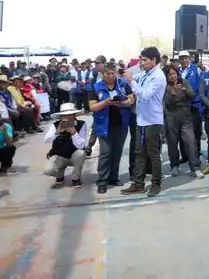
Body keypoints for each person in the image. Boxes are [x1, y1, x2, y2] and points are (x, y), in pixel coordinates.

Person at [121, 47, 166, 197]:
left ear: (154, 60)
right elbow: (133, 76)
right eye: (142, 59)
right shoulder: (147, 73)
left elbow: (145, 95)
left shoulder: (158, 76)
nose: (142, 62)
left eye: (145, 60)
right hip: (142, 119)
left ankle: (156, 183)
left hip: (153, 120)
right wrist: (123, 73)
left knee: (153, 154)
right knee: (139, 153)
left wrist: (132, 81)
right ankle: (138, 183)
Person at [90, 65, 134, 193]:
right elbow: (92, 107)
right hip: (104, 125)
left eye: (112, 73)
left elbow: (131, 99)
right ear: (103, 75)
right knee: (105, 153)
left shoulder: (123, 84)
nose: (110, 76)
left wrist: (124, 102)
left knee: (117, 151)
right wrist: (106, 102)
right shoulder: (96, 87)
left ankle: (114, 177)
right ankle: (102, 180)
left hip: (121, 124)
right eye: (107, 74)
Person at [162, 64, 204, 179]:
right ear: (165, 76)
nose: (173, 76)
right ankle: (174, 165)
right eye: (170, 74)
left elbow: (193, 95)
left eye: (174, 74)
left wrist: (184, 90)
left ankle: (195, 167)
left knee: (190, 141)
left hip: (186, 116)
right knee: (172, 142)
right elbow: (166, 102)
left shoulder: (184, 82)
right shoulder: (163, 86)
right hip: (171, 116)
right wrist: (173, 93)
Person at [43, 103, 89, 187]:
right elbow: (46, 140)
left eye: (70, 115)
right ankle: (60, 173)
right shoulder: (55, 125)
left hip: (74, 156)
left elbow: (81, 145)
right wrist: (57, 132)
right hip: (59, 155)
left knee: (81, 153)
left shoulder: (82, 124)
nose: (68, 118)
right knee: (47, 170)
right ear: (60, 117)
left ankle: (76, 178)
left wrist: (74, 133)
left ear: (74, 115)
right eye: (65, 116)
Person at [177, 50, 204, 161]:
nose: (184, 60)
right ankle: (184, 155)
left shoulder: (196, 69)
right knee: (181, 132)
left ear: (190, 58)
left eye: (186, 58)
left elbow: (202, 84)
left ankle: (196, 153)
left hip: (194, 105)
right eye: (182, 58)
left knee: (195, 132)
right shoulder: (176, 71)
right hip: (180, 106)